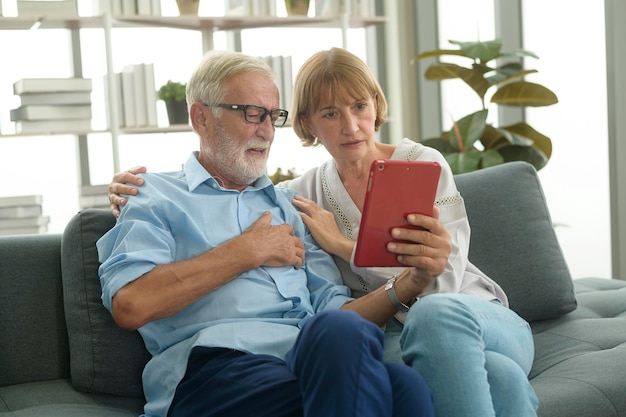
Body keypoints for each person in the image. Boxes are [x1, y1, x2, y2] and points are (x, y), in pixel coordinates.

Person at [108, 48, 538, 417]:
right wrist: (248, 250)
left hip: (329, 352)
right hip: (219, 364)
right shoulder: (156, 196)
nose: (264, 130)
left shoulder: (287, 206)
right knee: (399, 371)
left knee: (379, 355)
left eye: (271, 116)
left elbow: (338, 311)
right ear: (201, 117)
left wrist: (408, 282)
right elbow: (130, 304)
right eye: (250, 114)